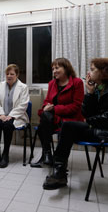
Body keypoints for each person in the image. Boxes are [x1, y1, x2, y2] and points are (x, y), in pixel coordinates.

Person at [43, 58, 108, 190]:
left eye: (92, 69)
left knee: (67, 127)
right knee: (66, 126)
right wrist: (89, 93)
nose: (89, 72)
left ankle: (58, 172)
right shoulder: (98, 89)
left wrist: (87, 121)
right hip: (95, 127)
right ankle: (59, 171)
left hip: (104, 131)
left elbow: (104, 117)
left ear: (104, 72)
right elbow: (86, 112)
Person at [31, 58, 84, 168]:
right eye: (53, 69)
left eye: (57, 68)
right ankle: (48, 154)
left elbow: (76, 107)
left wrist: (54, 108)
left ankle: (49, 157)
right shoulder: (52, 83)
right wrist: (46, 107)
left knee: (42, 126)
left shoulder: (77, 82)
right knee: (45, 117)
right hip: (54, 119)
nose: (54, 71)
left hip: (70, 120)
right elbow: (47, 101)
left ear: (66, 68)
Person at [0, 64, 29, 168]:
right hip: (2, 114)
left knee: (7, 126)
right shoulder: (1, 85)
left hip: (16, 116)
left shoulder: (23, 87)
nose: (9, 76)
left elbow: (23, 104)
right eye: (7, 74)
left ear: (17, 75)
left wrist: (11, 115)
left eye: (12, 74)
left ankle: (5, 155)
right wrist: (0, 114)